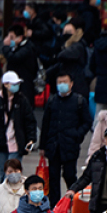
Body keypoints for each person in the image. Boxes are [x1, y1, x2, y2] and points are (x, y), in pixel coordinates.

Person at [39, 71, 92, 201]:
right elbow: (45, 124)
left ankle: (73, 201)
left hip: (70, 145)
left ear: (71, 84)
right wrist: (42, 145)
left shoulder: (79, 101)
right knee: (53, 177)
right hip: (53, 145)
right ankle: (55, 207)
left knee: (69, 175)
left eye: (65, 82)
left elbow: (87, 122)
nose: (62, 85)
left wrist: (77, 135)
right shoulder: (52, 101)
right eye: (59, 82)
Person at [0, 72, 37, 177]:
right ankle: (3, 192)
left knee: (13, 171)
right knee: (3, 172)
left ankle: (13, 192)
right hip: (2, 141)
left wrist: (31, 139)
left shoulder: (22, 100)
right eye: (13, 84)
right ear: (5, 84)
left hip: (17, 141)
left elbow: (30, 121)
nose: (16, 86)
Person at [1, 25, 38, 104]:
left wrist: (5, 47)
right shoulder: (15, 47)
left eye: (11, 37)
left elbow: (14, 58)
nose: (9, 40)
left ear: (20, 38)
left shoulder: (27, 48)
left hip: (25, 87)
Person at [52, 22, 89, 99]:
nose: (66, 34)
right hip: (71, 83)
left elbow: (61, 56)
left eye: (68, 32)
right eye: (64, 32)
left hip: (77, 85)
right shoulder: (67, 46)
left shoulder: (77, 46)